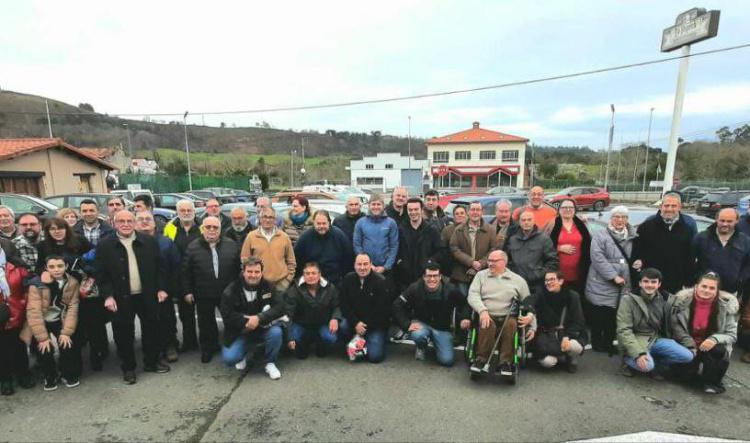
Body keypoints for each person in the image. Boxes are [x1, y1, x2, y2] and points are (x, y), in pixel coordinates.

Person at [96, 210, 170, 384]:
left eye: (130, 220)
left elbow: (161, 267)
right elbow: (101, 275)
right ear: (113, 223)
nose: (126, 224)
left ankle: (152, 362)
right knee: (123, 334)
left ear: (135, 222)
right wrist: (108, 296)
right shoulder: (104, 245)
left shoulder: (149, 241)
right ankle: (128, 368)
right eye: (121, 221)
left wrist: (161, 288)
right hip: (121, 297)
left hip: (147, 294)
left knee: (152, 329)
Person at [467, 250, 535, 380]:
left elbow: (529, 304)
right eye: (489, 261)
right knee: (487, 323)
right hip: (487, 314)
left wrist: (532, 324)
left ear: (504, 262)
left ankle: (505, 362)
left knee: (511, 324)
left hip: (508, 316)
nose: (490, 264)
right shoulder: (481, 276)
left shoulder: (518, 280)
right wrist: (482, 310)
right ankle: (481, 359)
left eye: (494, 261)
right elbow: (473, 295)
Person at [182, 216, 241, 363]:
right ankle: (208, 349)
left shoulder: (231, 245)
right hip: (203, 293)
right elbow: (185, 272)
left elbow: (238, 270)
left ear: (220, 229)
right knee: (205, 323)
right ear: (203, 228)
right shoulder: (192, 247)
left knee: (230, 321)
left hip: (227, 293)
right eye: (208, 227)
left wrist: (238, 289)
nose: (212, 230)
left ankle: (232, 346)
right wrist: (187, 291)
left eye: (215, 227)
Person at [617, 268, 693, 378]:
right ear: (640, 283)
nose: (649, 285)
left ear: (659, 284)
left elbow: (682, 312)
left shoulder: (666, 299)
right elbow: (624, 330)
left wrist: (690, 345)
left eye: (653, 282)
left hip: (655, 338)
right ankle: (627, 360)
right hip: (636, 339)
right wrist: (638, 354)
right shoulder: (627, 300)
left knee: (687, 356)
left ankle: (655, 365)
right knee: (647, 366)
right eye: (646, 281)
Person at [671, 272, 739, 394]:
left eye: (712, 288)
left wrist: (714, 339)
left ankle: (711, 382)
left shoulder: (726, 306)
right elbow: (675, 327)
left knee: (718, 350)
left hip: (709, 348)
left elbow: (732, 335)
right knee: (684, 379)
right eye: (704, 286)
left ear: (717, 290)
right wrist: (690, 344)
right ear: (696, 287)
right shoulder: (681, 302)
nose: (707, 290)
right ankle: (690, 370)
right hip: (688, 345)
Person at [393, 261, 470, 366]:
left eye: (435, 276)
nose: (432, 279)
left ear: (440, 276)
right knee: (418, 335)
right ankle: (421, 345)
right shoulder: (415, 288)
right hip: (422, 323)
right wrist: (406, 324)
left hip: (442, 327)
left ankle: (436, 341)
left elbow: (465, 303)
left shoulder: (450, 289)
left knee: (447, 361)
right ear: (424, 277)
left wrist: (465, 318)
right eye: (429, 276)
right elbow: (397, 304)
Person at [219, 257, 285, 380]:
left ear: (261, 272)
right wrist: (246, 321)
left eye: (256, 272)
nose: (253, 275)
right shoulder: (231, 290)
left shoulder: (269, 287)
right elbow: (227, 315)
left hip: (263, 328)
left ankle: (270, 363)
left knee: (276, 332)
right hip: (239, 331)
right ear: (243, 272)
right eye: (249, 271)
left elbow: (280, 308)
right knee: (229, 359)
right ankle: (242, 354)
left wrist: (259, 318)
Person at [22, 255, 81, 391]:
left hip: (59, 318)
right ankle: (50, 376)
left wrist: (66, 332)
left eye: (60, 266)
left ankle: (67, 373)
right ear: (46, 268)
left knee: (67, 344)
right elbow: (33, 312)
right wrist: (42, 338)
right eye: (52, 267)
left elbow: (73, 307)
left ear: (66, 266)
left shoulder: (72, 282)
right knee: (44, 349)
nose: (56, 270)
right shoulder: (37, 284)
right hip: (41, 320)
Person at [586, 206, 638, 353]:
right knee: (600, 315)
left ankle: (609, 343)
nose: (620, 220)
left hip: (624, 283)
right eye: (616, 217)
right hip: (601, 282)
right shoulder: (600, 235)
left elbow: (636, 255)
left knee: (615, 316)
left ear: (627, 219)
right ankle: (597, 343)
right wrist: (613, 276)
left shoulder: (633, 236)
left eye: (623, 217)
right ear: (611, 219)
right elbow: (597, 258)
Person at [73, 199, 115, 371]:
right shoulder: (73, 232)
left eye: (91, 210)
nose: (88, 213)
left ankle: (103, 348)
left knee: (102, 313)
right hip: (83, 279)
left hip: (105, 275)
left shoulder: (108, 230)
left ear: (98, 211)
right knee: (90, 316)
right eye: (85, 210)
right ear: (80, 212)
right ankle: (96, 350)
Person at [135, 211, 181, 363]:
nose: (144, 222)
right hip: (141, 290)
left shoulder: (166, 242)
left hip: (164, 289)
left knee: (167, 319)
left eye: (148, 219)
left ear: (154, 223)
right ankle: (153, 349)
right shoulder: (131, 242)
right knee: (148, 321)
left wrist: (171, 289)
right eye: (140, 219)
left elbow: (175, 266)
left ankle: (170, 346)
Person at [632, 192, 695, 294]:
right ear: (661, 206)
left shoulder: (687, 229)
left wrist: (688, 283)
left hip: (675, 286)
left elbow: (689, 258)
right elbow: (637, 254)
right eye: (666, 205)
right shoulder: (646, 227)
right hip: (651, 285)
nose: (669, 209)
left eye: (673, 206)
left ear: (679, 207)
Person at [162, 199, 201, 353]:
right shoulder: (170, 228)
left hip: (199, 276)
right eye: (182, 210)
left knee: (203, 313)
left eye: (188, 210)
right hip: (179, 277)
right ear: (177, 212)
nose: (186, 213)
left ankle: (204, 342)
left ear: (194, 211)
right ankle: (189, 341)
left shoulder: (203, 227)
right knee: (185, 314)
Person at [285, 262, 345, 359]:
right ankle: (303, 342)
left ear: (319, 274)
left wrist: (335, 318)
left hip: (322, 323)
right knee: (294, 336)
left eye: (313, 273)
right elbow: (288, 314)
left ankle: (320, 341)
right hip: (301, 324)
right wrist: (289, 337)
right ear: (303, 275)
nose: (310, 276)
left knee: (331, 338)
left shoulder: (330, 288)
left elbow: (337, 305)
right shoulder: (294, 290)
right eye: (307, 273)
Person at [340, 254, 392, 363]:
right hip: (355, 323)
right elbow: (344, 304)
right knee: (343, 325)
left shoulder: (381, 281)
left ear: (371, 265)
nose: (362, 267)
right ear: (354, 265)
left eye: (365, 264)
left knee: (375, 357)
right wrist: (356, 323)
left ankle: (372, 341)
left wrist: (364, 326)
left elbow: (382, 310)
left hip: (375, 325)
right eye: (359, 264)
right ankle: (357, 341)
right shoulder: (348, 279)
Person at [532, 271, 587, 372]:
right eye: (546, 280)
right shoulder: (541, 294)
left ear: (561, 281)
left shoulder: (572, 296)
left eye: (552, 279)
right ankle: (557, 354)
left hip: (566, 331)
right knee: (548, 362)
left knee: (575, 346)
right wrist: (529, 313)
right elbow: (529, 301)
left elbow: (579, 321)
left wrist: (568, 336)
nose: (548, 282)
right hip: (547, 334)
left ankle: (570, 357)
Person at [0, 247, 35, 395]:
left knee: (19, 346)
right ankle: (5, 379)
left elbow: (27, 289)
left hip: (18, 313)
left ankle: (23, 373)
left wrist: (23, 305)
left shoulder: (16, 267)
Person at [692, 208, 750, 296]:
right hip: (703, 290)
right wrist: (695, 279)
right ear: (716, 219)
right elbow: (689, 260)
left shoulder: (745, 241)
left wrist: (740, 281)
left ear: (737, 221)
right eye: (722, 220)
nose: (725, 224)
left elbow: (747, 265)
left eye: (729, 221)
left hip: (729, 292)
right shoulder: (701, 238)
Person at [240, 207, 296, 294]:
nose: (268, 220)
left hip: (280, 286)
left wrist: (287, 281)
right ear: (260, 219)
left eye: (271, 217)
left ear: (275, 220)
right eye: (265, 217)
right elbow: (245, 260)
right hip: (258, 285)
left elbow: (291, 261)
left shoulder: (284, 237)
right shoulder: (251, 236)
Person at [504, 210, 559, 294]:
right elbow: (506, 260)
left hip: (537, 285)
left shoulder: (544, 239)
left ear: (534, 221)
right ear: (519, 222)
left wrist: (538, 274)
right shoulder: (512, 239)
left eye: (529, 220)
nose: (526, 222)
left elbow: (553, 261)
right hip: (516, 284)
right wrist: (513, 273)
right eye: (523, 220)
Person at [294, 210, 353, 288]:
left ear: (329, 223)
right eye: (318, 223)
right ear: (314, 223)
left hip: (334, 282)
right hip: (311, 282)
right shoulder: (305, 237)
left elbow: (348, 259)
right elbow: (297, 260)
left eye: (324, 223)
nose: (321, 226)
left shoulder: (339, 236)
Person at [545, 198, 591, 294]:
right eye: (564, 207)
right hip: (558, 272)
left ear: (574, 210)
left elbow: (589, 245)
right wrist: (559, 248)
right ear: (559, 210)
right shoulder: (552, 224)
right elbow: (544, 246)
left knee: (575, 299)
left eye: (571, 207)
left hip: (579, 272)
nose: (568, 209)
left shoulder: (581, 225)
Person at [395, 198, 443, 290]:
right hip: (405, 278)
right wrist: (400, 263)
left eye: (416, 209)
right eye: (410, 210)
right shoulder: (401, 230)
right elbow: (396, 249)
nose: (413, 212)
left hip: (425, 278)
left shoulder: (431, 230)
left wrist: (429, 263)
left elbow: (440, 251)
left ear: (421, 210)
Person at [450, 202, 496, 296]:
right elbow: (454, 248)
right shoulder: (459, 230)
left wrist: (481, 263)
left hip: (484, 273)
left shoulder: (490, 230)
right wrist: (471, 262)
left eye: (478, 210)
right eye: (473, 210)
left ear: (482, 212)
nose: (475, 212)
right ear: (468, 212)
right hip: (462, 274)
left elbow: (494, 249)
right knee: (464, 303)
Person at [353, 194, 399, 279]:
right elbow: (357, 245)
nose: (376, 207)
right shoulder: (361, 223)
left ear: (383, 206)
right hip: (366, 269)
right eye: (373, 204)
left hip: (385, 270)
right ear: (369, 206)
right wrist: (368, 265)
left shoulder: (391, 223)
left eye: (378, 204)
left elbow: (394, 246)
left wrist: (386, 266)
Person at [439, 205, 465, 272]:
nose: (460, 215)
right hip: (452, 267)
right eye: (457, 214)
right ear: (453, 216)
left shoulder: (471, 228)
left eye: (462, 213)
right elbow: (441, 249)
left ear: (466, 215)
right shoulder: (447, 230)